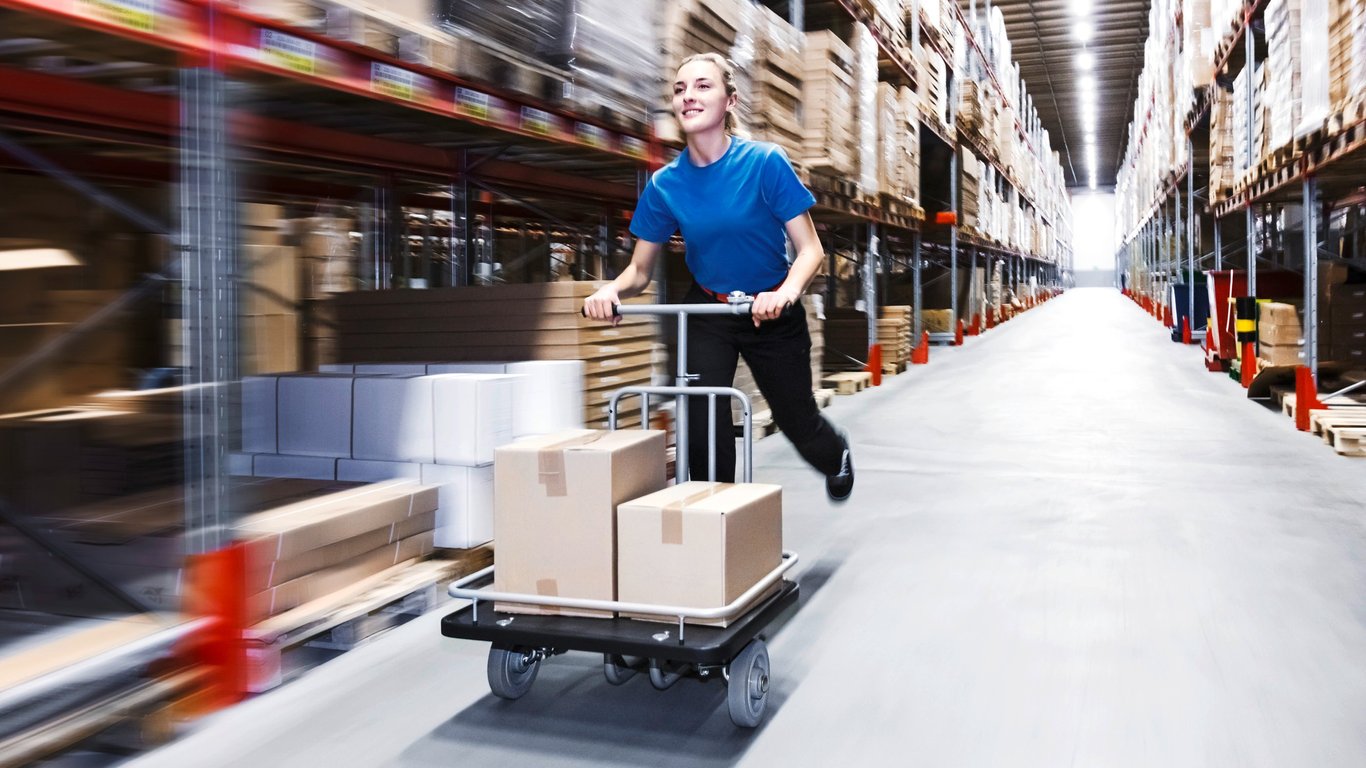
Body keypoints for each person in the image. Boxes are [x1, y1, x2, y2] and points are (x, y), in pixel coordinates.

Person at [583, 52, 853, 501]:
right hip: (709, 308)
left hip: (773, 308)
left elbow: (810, 251)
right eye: (680, 88)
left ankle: (835, 455)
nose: (688, 96)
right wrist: (610, 289)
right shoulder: (665, 185)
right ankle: (717, 526)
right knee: (703, 421)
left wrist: (785, 294)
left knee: (795, 419)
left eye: (702, 86)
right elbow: (639, 270)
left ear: (730, 100)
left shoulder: (765, 163)